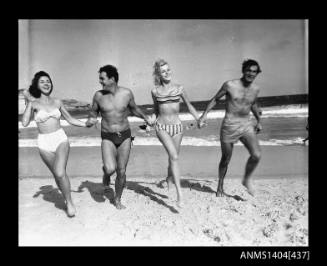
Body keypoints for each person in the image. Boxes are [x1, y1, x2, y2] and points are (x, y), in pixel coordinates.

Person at [21, 71, 92, 217]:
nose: (46, 83)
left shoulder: (57, 102)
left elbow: (70, 119)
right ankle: (67, 199)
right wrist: (29, 101)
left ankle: (69, 202)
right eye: (42, 81)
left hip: (60, 138)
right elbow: (25, 122)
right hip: (44, 143)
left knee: (60, 172)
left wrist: (85, 124)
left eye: (48, 81)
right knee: (58, 175)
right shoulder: (33, 103)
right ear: (37, 85)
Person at [85, 65, 153, 210]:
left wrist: (146, 118)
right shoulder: (98, 96)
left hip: (125, 136)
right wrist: (90, 120)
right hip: (107, 136)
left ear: (112, 78)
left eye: (102, 79)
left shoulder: (127, 93)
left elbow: (135, 109)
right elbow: (93, 113)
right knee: (110, 168)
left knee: (121, 171)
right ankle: (106, 173)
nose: (100, 82)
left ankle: (117, 199)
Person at [199, 59, 263, 197]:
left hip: (246, 125)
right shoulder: (230, 85)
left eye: (254, 71)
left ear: (257, 73)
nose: (251, 73)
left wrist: (259, 121)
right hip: (229, 126)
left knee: (256, 155)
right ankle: (220, 185)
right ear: (243, 70)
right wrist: (204, 115)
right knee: (226, 159)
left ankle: (246, 179)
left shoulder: (255, 89)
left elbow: (253, 105)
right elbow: (215, 99)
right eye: (248, 70)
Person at [151, 59, 201, 208]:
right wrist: (150, 120)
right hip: (162, 127)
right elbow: (155, 110)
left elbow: (189, 105)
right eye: (163, 71)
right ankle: (180, 195)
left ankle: (168, 178)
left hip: (178, 128)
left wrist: (198, 119)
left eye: (168, 70)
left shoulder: (179, 88)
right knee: (174, 156)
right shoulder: (155, 91)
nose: (167, 73)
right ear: (158, 74)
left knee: (173, 158)